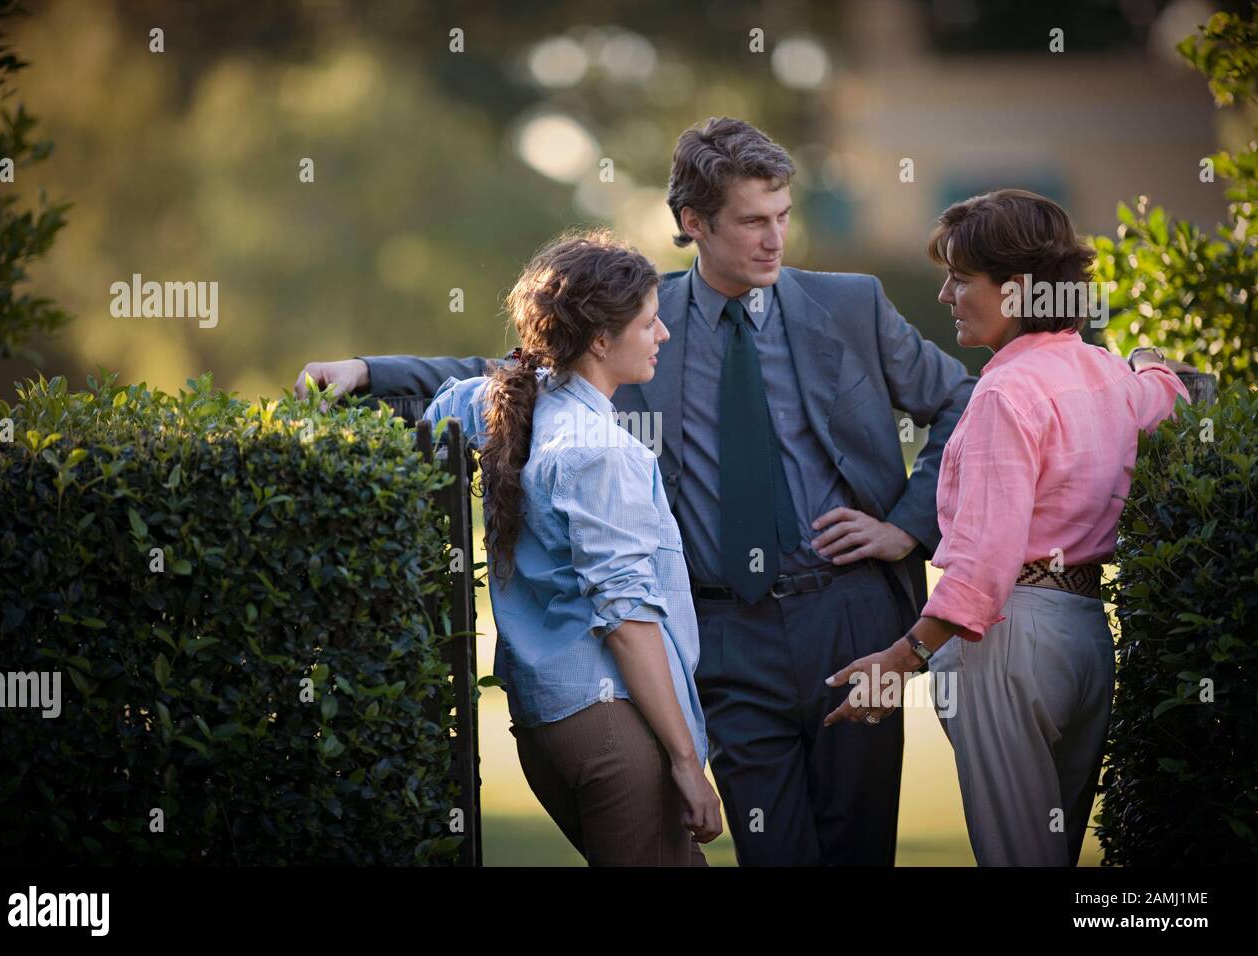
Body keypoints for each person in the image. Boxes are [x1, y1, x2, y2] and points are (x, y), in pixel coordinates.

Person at [296, 118, 975, 866]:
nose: (775, 238)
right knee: (772, 848)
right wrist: (370, 371)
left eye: (782, 215)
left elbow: (961, 401)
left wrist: (908, 526)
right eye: (752, 220)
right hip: (724, 635)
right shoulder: (640, 328)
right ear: (694, 223)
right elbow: (515, 373)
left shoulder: (852, 305)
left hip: (851, 618)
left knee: (860, 847)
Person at [824, 188, 1191, 866]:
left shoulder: (1003, 393)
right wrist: (1149, 361)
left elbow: (982, 570)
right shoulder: (1108, 374)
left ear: (1017, 289)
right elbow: (1169, 392)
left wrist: (898, 662)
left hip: (1008, 641)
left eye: (961, 277)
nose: (945, 295)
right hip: (1085, 638)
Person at [422, 229, 721, 866]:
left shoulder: (514, 407)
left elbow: (447, 405)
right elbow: (628, 623)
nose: (662, 336)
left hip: (545, 722)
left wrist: (365, 373)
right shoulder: (600, 450)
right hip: (610, 722)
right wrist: (687, 763)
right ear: (600, 339)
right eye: (648, 324)